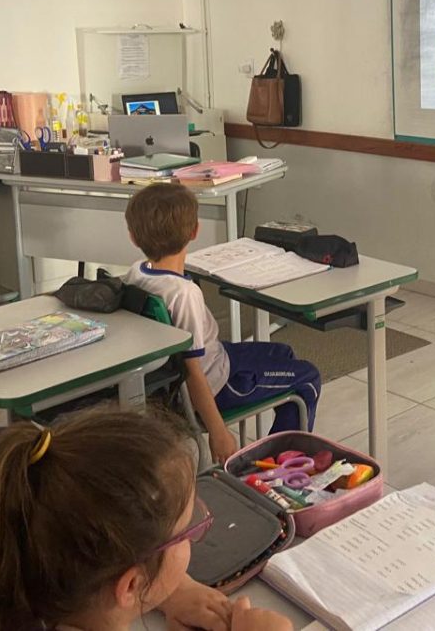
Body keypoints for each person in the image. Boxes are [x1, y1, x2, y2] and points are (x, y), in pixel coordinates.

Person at [0, 408, 291, 631]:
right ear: (128, 584)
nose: (195, 534)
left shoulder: (9, 586)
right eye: (188, 531)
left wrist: (168, 588)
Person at [123, 184, 321, 463]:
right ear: (195, 231)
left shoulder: (137, 273)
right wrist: (218, 431)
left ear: (132, 237)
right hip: (216, 385)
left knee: (282, 353)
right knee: (308, 378)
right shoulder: (184, 295)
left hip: (210, 362)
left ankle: (277, 445)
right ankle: (277, 469)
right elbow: (192, 370)